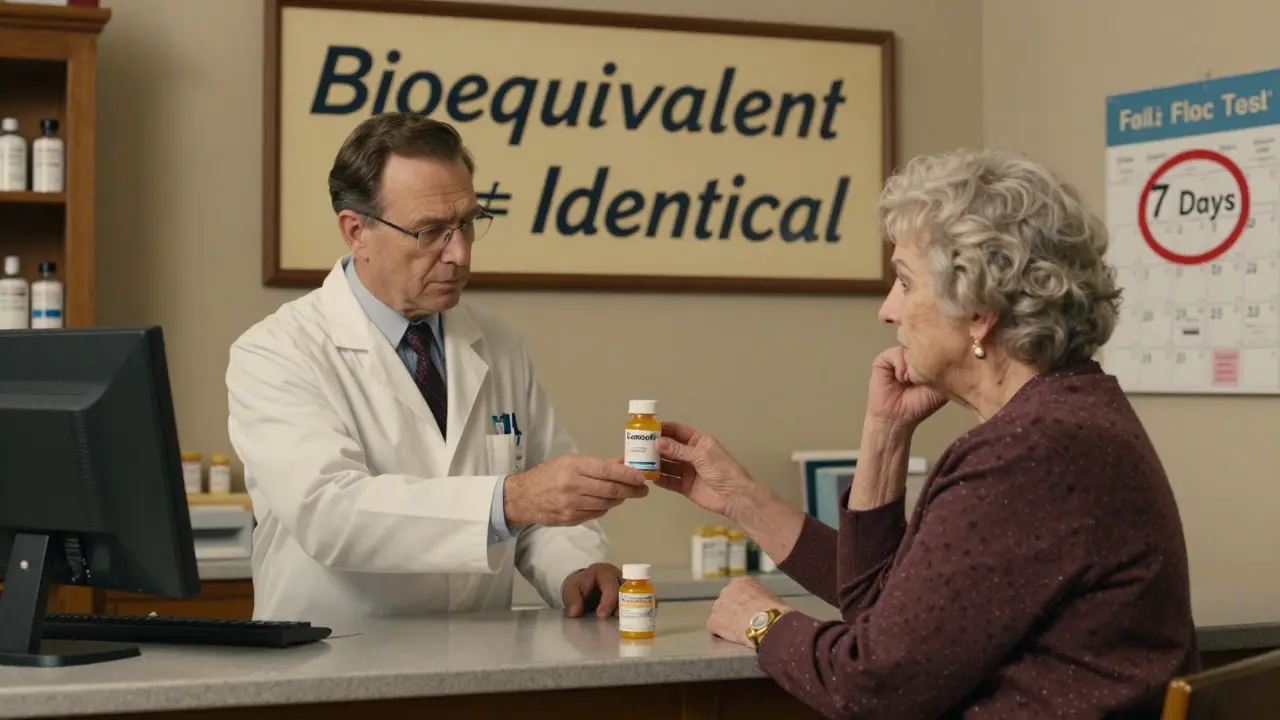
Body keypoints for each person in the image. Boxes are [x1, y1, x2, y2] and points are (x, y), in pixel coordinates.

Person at [654, 148, 1198, 718]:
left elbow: (874, 686)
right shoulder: (1066, 420)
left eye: (905, 282)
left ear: (980, 311)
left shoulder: (1029, 454)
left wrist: (764, 624)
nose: (887, 310)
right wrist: (878, 436)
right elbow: (881, 610)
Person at [227, 113, 648, 627]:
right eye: (430, 232)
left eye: (467, 223)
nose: (460, 253)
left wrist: (575, 567)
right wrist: (512, 498)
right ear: (356, 231)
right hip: (335, 667)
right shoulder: (276, 352)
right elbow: (331, 515)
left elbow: (541, 507)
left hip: (477, 666)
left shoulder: (498, 344)